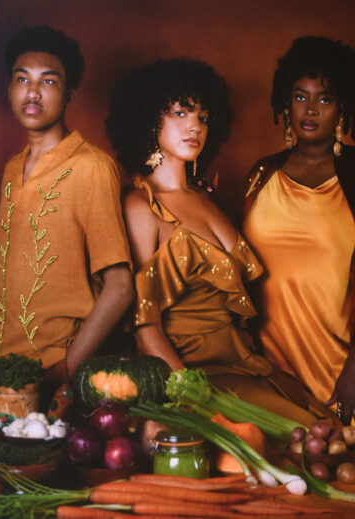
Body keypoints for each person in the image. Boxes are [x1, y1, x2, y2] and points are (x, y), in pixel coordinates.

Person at [110, 58, 324, 425]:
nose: (195, 125)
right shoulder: (140, 204)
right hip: (197, 376)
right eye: (180, 112)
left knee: (330, 431)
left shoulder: (205, 195)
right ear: (148, 119)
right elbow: (146, 329)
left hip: (249, 365)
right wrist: (191, 397)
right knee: (310, 441)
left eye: (203, 117)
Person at [0, 26, 134, 395]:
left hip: (51, 369)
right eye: (22, 80)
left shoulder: (92, 166)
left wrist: (67, 368)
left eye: (48, 81)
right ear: (9, 91)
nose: (32, 92)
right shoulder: (13, 168)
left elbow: (120, 287)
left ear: (70, 93)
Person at [243, 37, 355, 424]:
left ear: (342, 106)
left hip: (338, 366)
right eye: (299, 96)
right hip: (268, 369)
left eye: (324, 99)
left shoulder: (353, 177)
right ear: (285, 103)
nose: (309, 110)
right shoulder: (261, 174)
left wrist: (353, 372)